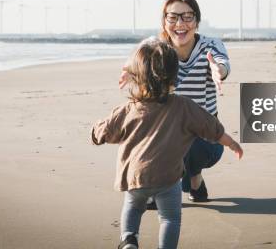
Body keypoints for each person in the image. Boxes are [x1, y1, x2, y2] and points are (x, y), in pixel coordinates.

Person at [93, 39, 243, 249]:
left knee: (133, 207)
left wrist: (95, 132)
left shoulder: (129, 109)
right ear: (175, 76)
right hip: (168, 179)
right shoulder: (184, 106)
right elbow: (211, 127)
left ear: (137, 76)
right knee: (170, 219)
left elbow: (105, 131)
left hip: (135, 177)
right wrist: (231, 143)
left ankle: (128, 240)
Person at [119, 0, 231, 203]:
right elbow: (136, 57)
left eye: (188, 17)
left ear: (197, 22)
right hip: (164, 134)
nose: (180, 23)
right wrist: (131, 69)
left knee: (190, 144)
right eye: (173, 17)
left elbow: (222, 63)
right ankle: (157, 187)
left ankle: (194, 177)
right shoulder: (156, 47)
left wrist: (218, 70)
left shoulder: (211, 45)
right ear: (164, 22)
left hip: (205, 139)